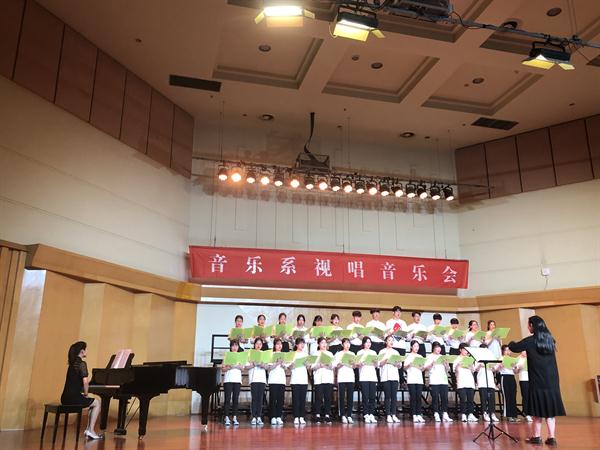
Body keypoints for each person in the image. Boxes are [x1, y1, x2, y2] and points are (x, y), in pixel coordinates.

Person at [509, 316, 565, 446]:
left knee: (537, 409)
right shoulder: (550, 340)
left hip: (537, 379)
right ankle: (551, 437)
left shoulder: (530, 341)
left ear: (532, 326)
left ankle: (536, 436)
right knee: (550, 410)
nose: (528, 327)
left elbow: (514, 347)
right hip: (552, 380)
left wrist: (510, 342)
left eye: (529, 325)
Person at [61, 341, 102, 440]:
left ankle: (89, 429)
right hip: (73, 398)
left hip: (65, 398)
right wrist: (86, 394)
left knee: (92, 403)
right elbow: (85, 382)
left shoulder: (71, 364)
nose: (87, 351)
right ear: (82, 351)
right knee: (97, 403)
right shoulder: (82, 364)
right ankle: (91, 430)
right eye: (86, 349)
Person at [425, 342, 453, 422]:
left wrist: (446, 364)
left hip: (443, 380)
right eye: (437, 347)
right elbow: (426, 368)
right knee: (435, 398)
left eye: (439, 347)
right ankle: (436, 413)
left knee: (444, 398)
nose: (439, 349)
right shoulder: (429, 356)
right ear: (433, 348)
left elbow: (447, 369)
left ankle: (445, 414)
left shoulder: (442, 357)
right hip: (434, 380)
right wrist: (432, 364)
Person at [378, 335, 400, 423]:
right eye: (389, 340)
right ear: (386, 342)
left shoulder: (396, 352)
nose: (391, 342)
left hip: (394, 376)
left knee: (394, 396)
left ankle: (393, 414)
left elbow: (399, 365)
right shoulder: (382, 351)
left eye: (392, 340)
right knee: (387, 396)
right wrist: (385, 361)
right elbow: (379, 364)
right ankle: (388, 415)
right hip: (385, 376)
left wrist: (396, 364)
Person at [475, 343, 500, 423]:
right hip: (482, 380)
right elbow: (475, 369)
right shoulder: (477, 358)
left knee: (492, 398)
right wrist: (480, 365)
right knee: (484, 398)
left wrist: (497, 366)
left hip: (490, 380)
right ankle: (484, 413)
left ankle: (492, 413)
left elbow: (494, 369)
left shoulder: (491, 357)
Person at [312, 337, 334, 423]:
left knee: (328, 397)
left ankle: (327, 415)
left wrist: (327, 365)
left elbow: (332, 367)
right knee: (318, 397)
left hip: (328, 378)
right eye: (322, 343)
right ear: (318, 344)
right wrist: (319, 365)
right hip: (318, 378)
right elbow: (312, 367)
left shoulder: (330, 354)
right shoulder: (315, 353)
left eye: (325, 343)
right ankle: (317, 414)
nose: (324, 344)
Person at [334, 337, 356, 424]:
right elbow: (335, 366)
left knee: (350, 396)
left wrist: (353, 364)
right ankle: (342, 415)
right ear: (342, 344)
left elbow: (354, 366)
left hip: (350, 377)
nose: (347, 345)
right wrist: (341, 363)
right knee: (342, 397)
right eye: (346, 343)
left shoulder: (352, 354)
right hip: (342, 377)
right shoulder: (338, 354)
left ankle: (349, 415)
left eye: (348, 343)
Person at [454, 343, 478, 422]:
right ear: (460, 350)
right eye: (464, 349)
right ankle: (463, 414)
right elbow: (454, 370)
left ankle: (470, 414)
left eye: (467, 350)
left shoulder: (469, 359)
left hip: (470, 381)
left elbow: (473, 370)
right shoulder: (457, 359)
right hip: (461, 381)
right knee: (463, 399)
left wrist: (470, 366)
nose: (466, 351)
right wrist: (458, 365)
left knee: (470, 399)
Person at [356, 337, 378, 423]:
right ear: (363, 343)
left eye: (370, 342)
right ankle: (366, 414)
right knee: (365, 396)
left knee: (372, 396)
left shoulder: (373, 352)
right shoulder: (359, 352)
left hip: (372, 376)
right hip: (364, 376)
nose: (368, 344)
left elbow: (376, 365)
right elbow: (356, 365)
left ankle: (371, 414)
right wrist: (361, 363)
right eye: (367, 342)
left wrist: (375, 362)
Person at [404, 340, 425, 423]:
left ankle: (419, 414)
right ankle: (413, 415)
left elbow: (423, 369)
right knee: (413, 397)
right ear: (411, 347)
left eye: (418, 346)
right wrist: (409, 365)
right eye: (415, 346)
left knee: (418, 397)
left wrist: (421, 366)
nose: (416, 348)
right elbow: (404, 368)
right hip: (411, 379)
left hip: (419, 379)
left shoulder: (420, 356)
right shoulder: (408, 356)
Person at [222, 340, 242, 426]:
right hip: (228, 380)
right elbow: (223, 368)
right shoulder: (227, 355)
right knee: (227, 399)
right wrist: (229, 367)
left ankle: (234, 417)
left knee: (235, 399)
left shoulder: (240, 356)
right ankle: (226, 417)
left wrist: (236, 366)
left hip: (237, 380)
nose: (234, 347)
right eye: (233, 345)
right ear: (230, 347)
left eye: (236, 345)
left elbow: (243, 368)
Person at [290, 337, 309, 425]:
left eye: (303, 343)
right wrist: (293, 364)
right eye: (301, 343)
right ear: (296, 344)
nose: (302, 345)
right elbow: (289, 367)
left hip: (303, 379)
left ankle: (301, 416)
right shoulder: (292, 354)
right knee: (296, 399)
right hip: (295, 379)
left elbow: (309, 367)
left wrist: (307, 364)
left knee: (302, 399)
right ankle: (296, 417)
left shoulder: (305, 354)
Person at [248, 337, 267, 425]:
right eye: (257, 344)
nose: (258, 345)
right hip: (253, 379)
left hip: (262, 379)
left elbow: (267, 367)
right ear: (254, 344)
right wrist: (253, 364)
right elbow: (246, 366)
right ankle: (253, 416)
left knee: (260, 399)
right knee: (254, 398)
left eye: (260, 344)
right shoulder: (250, 353)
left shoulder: (264, 354)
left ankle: (258, 416)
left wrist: (263, 365)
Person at [268, 338, 286, 425]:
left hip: (281, 379)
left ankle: (278, 416)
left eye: (280, 344)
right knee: (273, 399)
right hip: (273, 379)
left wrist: (282, 364)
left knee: (280, 399)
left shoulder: (284, 355)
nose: (279, 346)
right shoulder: (271, 354)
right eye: (277, 344)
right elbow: (269, 368)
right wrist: (277, 363)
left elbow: (286, 368)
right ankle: (273, 417)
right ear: (274, 345)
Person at [499, 344, 519, 422]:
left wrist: (515, 366)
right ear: (503, 351)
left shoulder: (512, 359)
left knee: (513, 396)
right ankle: (508, 415)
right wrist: (501, 366)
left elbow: (515, 372)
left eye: (509, 350)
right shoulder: (501, 358)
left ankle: (514, 415)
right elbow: (496, 369)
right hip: (504, 377)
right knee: (506, 396)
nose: (508, 352)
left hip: (512, 377)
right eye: (506, 350)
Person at [514, 351, 532, 422]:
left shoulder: (531, 357)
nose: (525, 352)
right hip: (523, 379)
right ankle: (526, 413)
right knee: (525, 396)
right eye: (524, 351)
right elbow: (515, 371)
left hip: (532, 379)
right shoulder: (518, 359)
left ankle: (532, 413)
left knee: (531, 396)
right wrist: (519, 368)